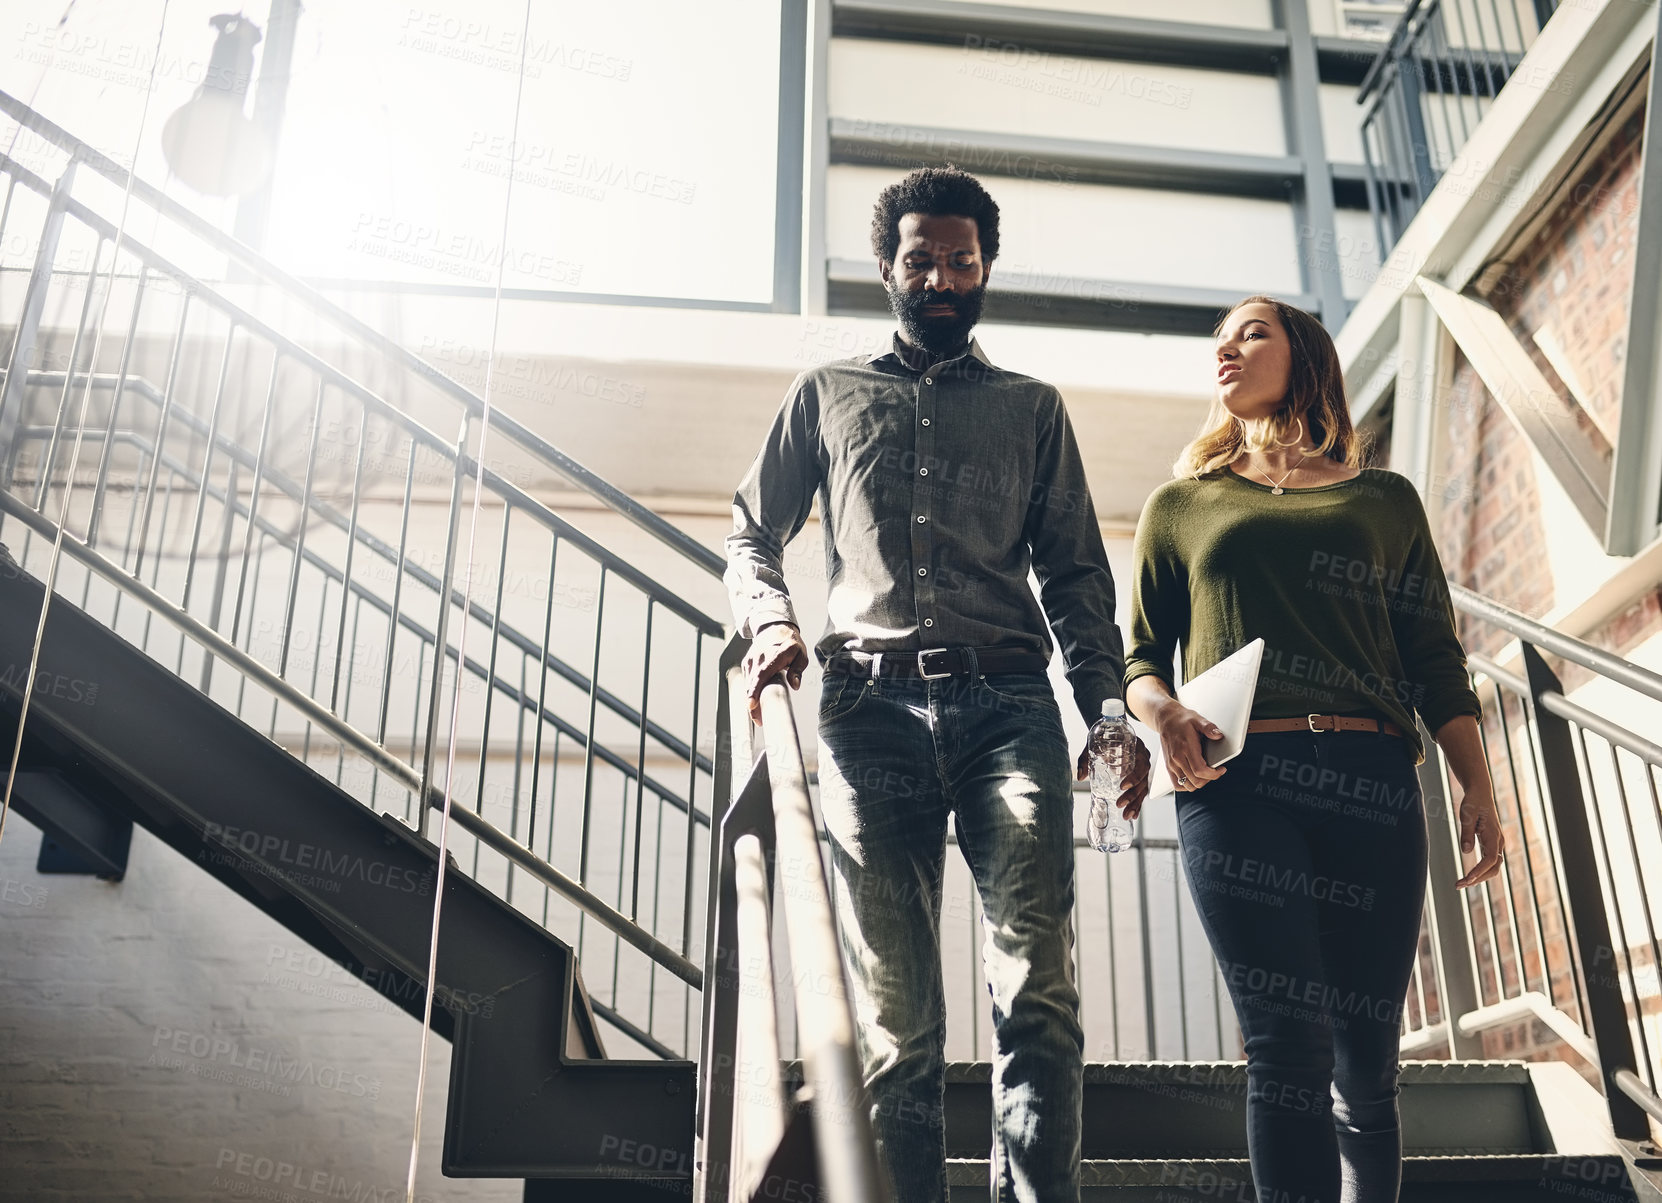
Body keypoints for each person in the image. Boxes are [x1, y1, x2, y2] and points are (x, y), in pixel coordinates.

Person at [725, 165, 1149, 1203]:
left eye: (964, 259)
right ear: (887, 266)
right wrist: (773, 620)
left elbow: (1079, 577)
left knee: (1038, 988)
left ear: (987, 268)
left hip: (1009, 710)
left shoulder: (1033, 410)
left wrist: (1106, 715)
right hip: (867, 717)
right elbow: (748, 531)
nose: (945, 276)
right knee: (896, 1023)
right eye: (924, 258)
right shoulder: (826, 396)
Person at [1122, 296, 1506, 1203]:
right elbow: (1139, 655)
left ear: (1305, 353)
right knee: (1287, 1041)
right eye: (1217, 340)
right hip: (1236, 786)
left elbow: (1433, 656)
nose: (1228, 349)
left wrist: (1476, 781)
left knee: (1367, 1053)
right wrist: (1164, 713)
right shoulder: (1181, 504)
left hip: (1373, 781)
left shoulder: (1384, 500)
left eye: (1251, 331)